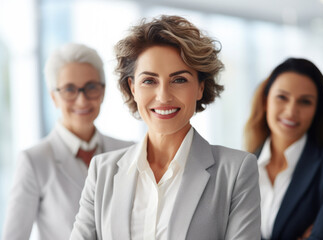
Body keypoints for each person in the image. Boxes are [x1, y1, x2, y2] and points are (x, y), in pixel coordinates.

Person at [70, 15, 261, 240]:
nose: (163, 96)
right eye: (149, 81)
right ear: (132, 88)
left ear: (200, 87)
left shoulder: (235, 171)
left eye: (179, 80)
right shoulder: (102, 171)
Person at [1, 43, 134, 240]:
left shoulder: (129, 151)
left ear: (103, 92)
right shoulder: (34, 161)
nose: (82, 100)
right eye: (70, 89)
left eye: (91, 87)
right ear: (53, 97)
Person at [244, 57, 323, 240]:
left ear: (317, 110)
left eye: (305, 102)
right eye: (282, 97)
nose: (291, 111)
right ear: (266, 101)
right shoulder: (241, 166)